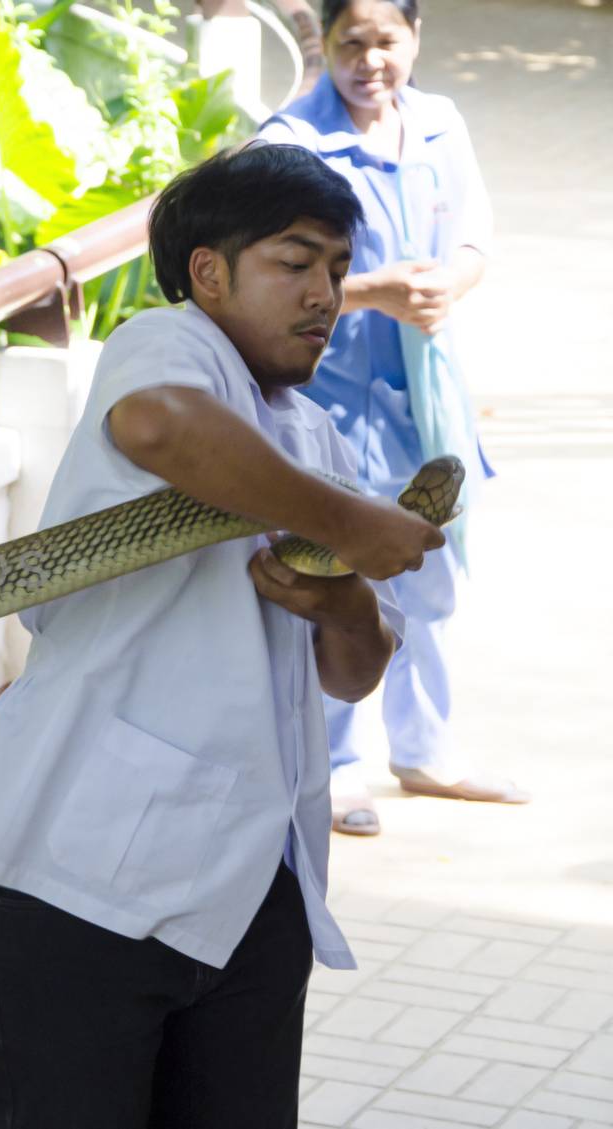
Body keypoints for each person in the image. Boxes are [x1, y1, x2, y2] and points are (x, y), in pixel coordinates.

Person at [0, 144, 445, 1128]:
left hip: (254, 885)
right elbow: (158, 427)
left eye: (339, 271)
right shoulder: (170, 344)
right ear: (208, 273)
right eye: (293, 264)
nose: (323, 295)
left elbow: (352, 675)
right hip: (80, 876)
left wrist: (341, 604)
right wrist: (350, 526)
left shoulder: (314, 437)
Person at [258, 0, 527, 836]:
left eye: (388, 43)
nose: (370, 61)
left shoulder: (441, 124)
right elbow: (265, 273)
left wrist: (456, 283)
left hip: (428, 399)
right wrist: (373, 293)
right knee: (337, 577)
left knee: (432, 573)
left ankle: (426, 750)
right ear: (325, 43)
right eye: (351, 43)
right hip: (331, 402)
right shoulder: (288, 145)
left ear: (416, 39)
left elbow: (476, 236)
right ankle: (333, 769)